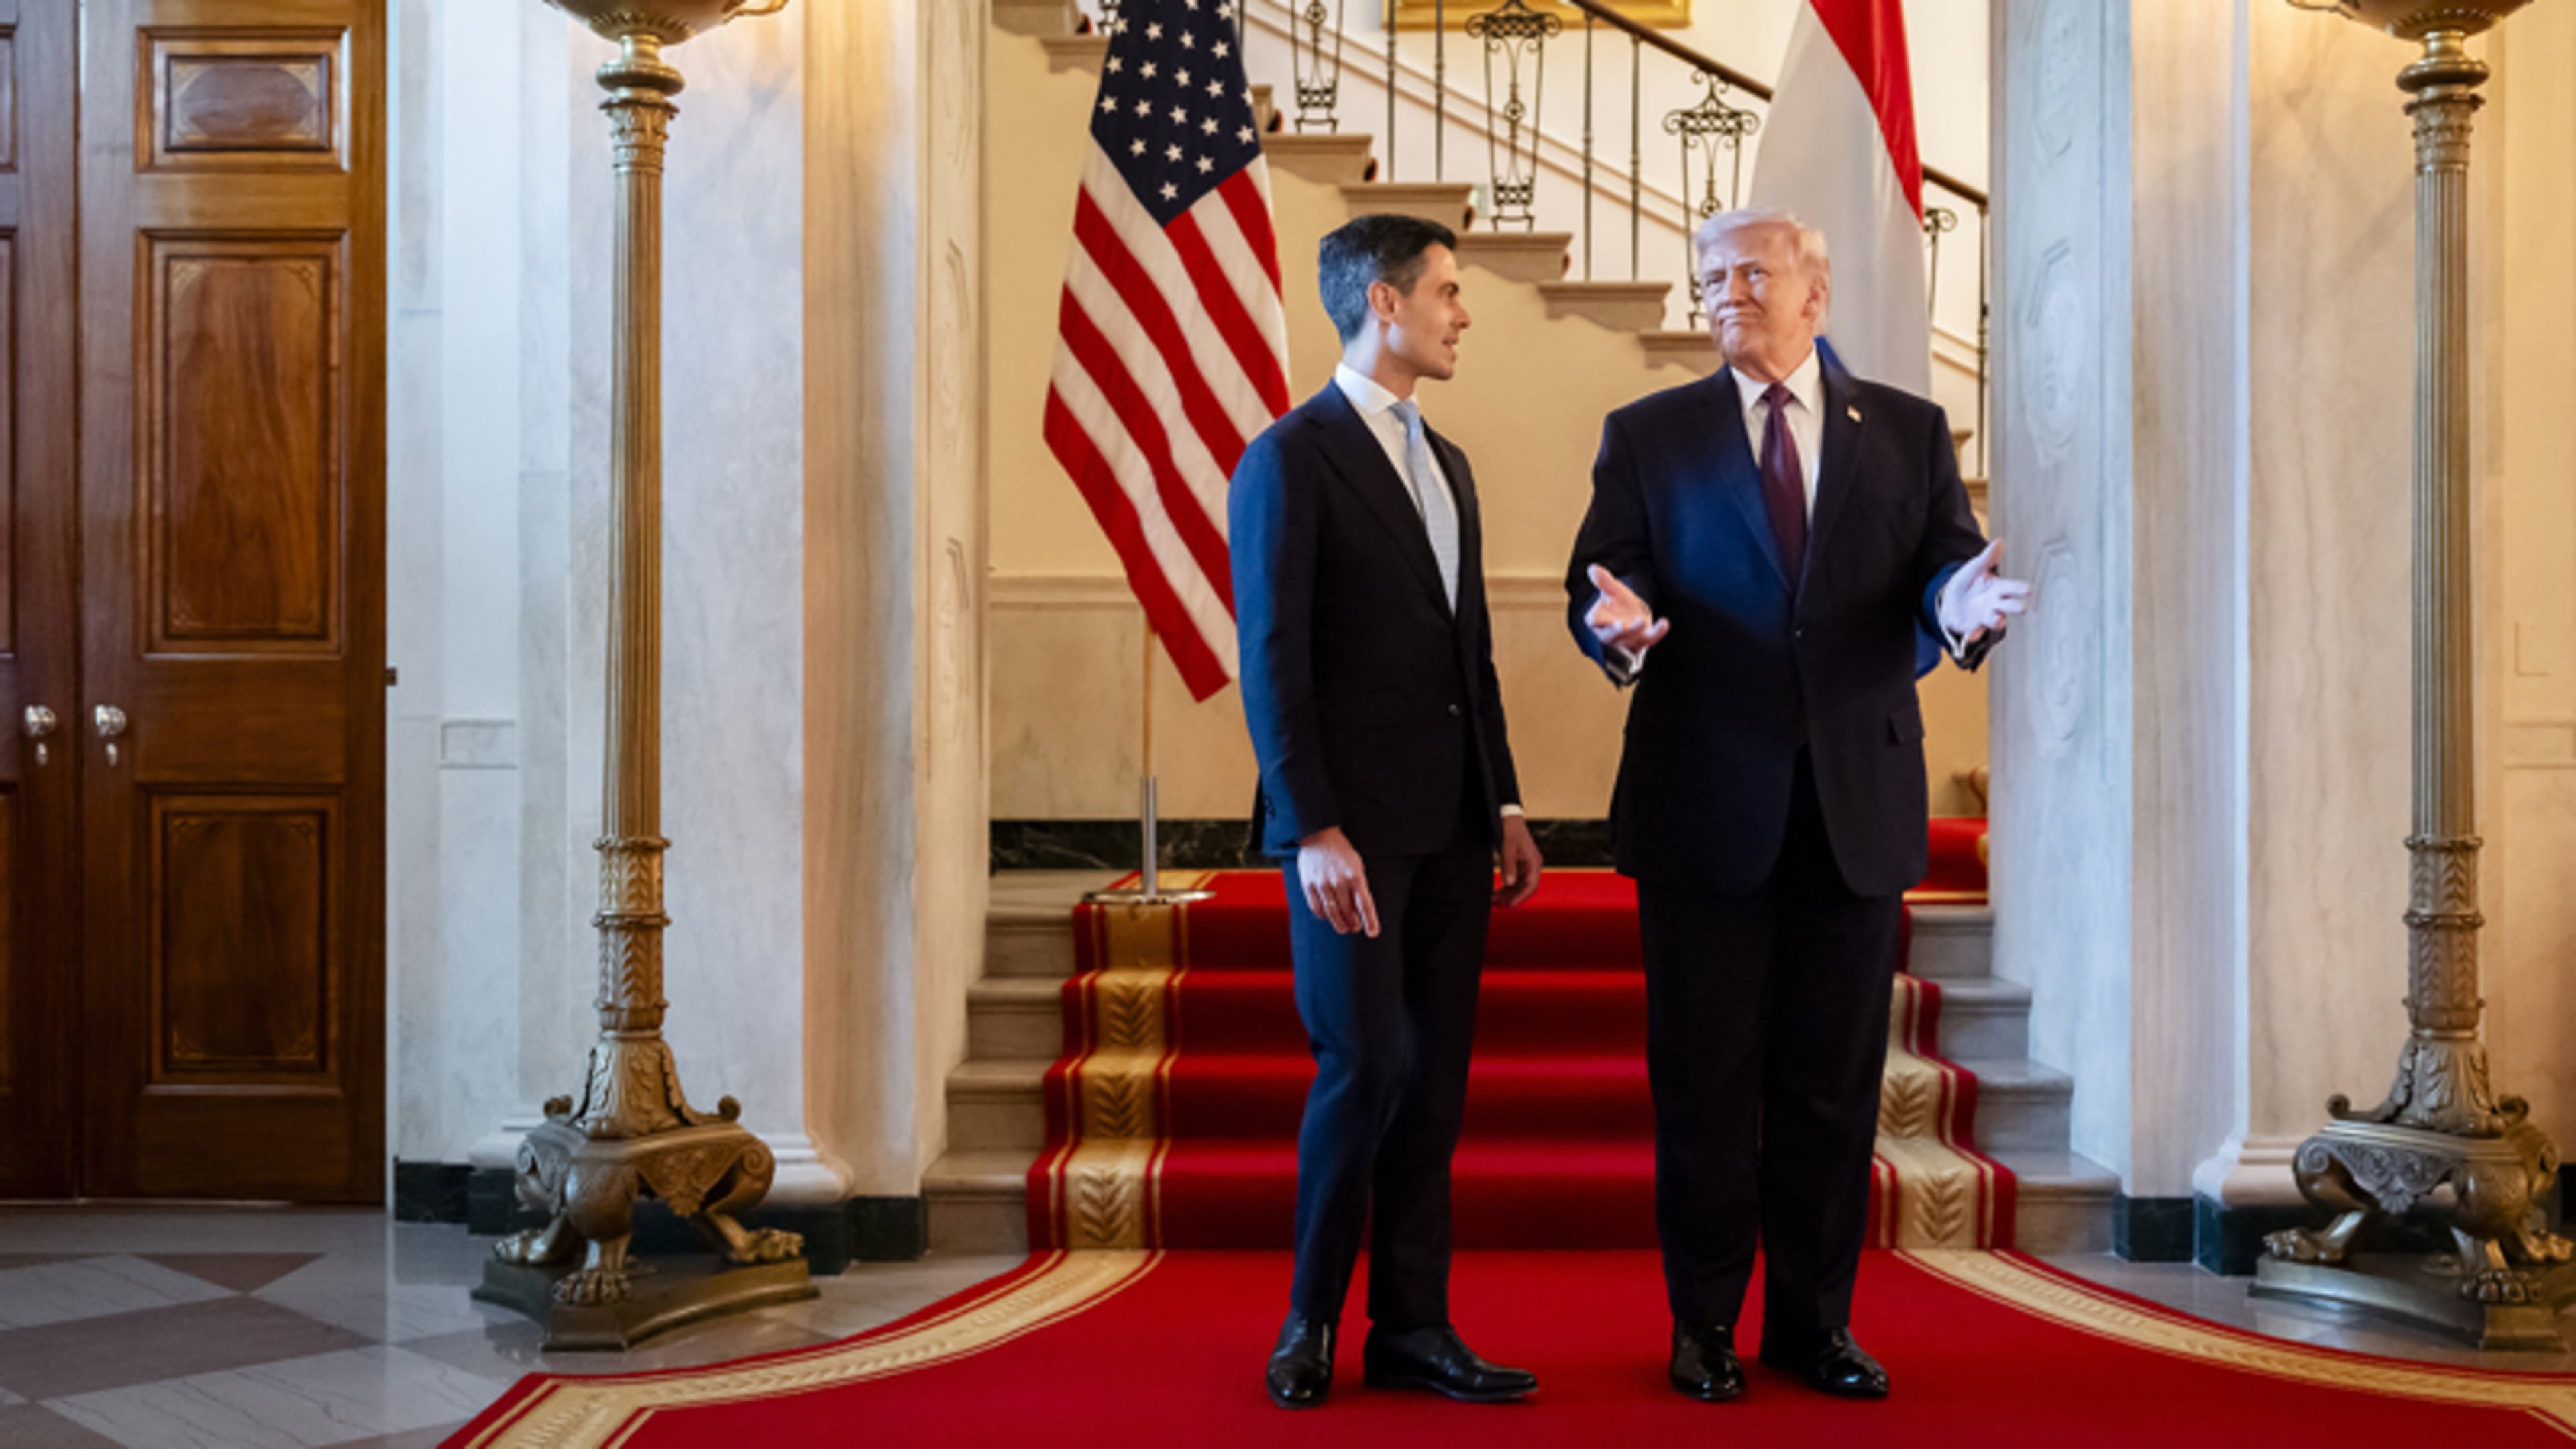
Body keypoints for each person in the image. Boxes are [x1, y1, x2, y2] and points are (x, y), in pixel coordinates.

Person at [1565, 208, 2028, 1404]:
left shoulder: (1910, 432)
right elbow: (1607, 579)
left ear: (1816, 294)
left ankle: (1814, 1326)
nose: (1727, 292)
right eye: (1712, 276)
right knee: (1708, 1086)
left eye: (1752, 273)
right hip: (1703, 804)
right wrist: (1609, 629)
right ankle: (1703, 1326)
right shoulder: (1649, 434)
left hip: (1852, 807)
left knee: (1830, 1091)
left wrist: (1958, 613)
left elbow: (1943, 572)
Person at [1231, 213, 1546, 1411]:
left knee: (1435, 1089)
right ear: (1383, 300)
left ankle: (1415, 1325)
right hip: (1347, 840)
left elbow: (1472, 653)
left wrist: (1505, 801)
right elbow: (1274, 658)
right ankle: (1308, 1322)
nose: (1463, 314)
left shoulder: (1450, 462)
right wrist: (1311, 828)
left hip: (1457, 833)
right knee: (1361, 1070)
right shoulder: (1290, 458)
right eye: (1449, 292)